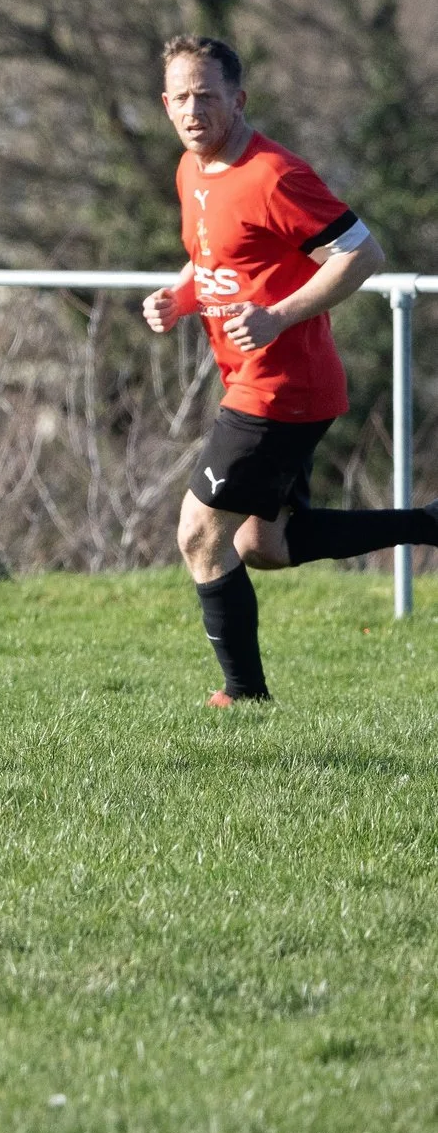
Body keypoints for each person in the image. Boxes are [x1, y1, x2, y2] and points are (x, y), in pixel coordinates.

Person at [140, 34, 438, 704]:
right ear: (165, 103)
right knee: (265, 546)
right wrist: (178, 297)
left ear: (238, 99)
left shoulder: (275, 175)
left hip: (281, 389)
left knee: (198, 533)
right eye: (180, 98)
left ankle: (243, 696)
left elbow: (363, 255)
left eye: (207, 97)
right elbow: (214, 257)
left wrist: (278, 316)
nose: (193, 111)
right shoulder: (192, 169)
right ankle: (428, 524)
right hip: (257, 382)